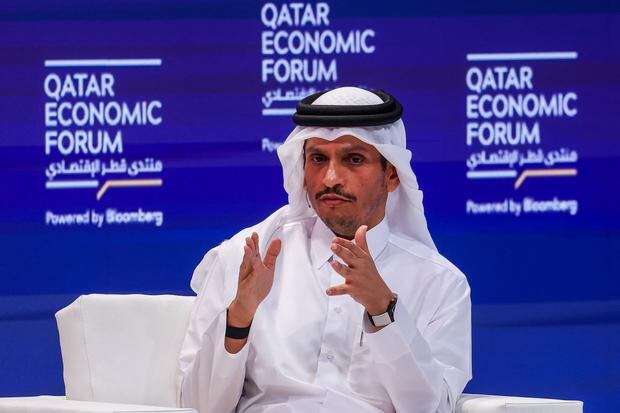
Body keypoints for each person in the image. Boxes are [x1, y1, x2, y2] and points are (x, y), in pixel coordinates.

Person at [178, 87, 471, 413]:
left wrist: (383, 312)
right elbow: (195, 406)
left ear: (391, 174)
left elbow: (434, 410)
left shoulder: (440, 284)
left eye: (354, 159)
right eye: (318, 158)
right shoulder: (247, 258)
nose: (330, 178)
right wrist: (239, 319)